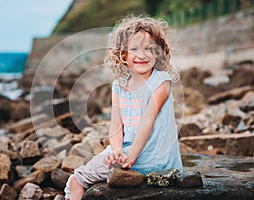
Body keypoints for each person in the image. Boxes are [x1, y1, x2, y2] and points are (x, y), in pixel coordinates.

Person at [64, 15, 183, 200]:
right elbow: (116, 125)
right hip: (127, 152)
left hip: (152, 158)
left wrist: (131, 157)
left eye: (149, 49)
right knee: (99, 163)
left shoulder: (161, 82)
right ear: (122, 54)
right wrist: (117, 150)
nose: (142, 55)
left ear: (158, 53)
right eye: (134, 49)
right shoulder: (119, 85)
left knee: (77, 180)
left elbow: (147, 121)